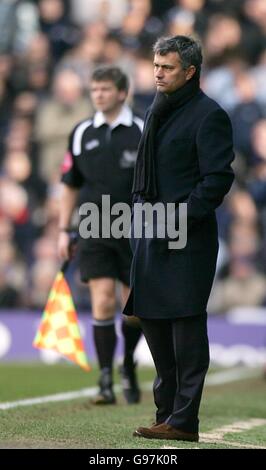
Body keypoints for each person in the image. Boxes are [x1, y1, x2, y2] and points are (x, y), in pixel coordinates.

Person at [123, 36, 235, 441]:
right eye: (155, 65)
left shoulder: (209, 115)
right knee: (152, 323)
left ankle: (183, 422)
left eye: (166, 67)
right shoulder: (155, 110)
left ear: (190, 72)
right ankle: (165, 413)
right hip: (149, 234)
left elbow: (217, 179)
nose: (157, 72)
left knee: (185, 331)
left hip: (187, 239)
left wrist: (177, 218)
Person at [57, 66, 143, 405]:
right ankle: (106, 377)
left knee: (134, 308)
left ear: (122, 93)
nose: (99, 95)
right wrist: (64, 230)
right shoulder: (80, 133)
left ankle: (128, 364)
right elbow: (69, 185)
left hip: (133, 227)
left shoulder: (140, 130)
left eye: (106, 89)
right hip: (93, 226)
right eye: (95, 89)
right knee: (103, 298)